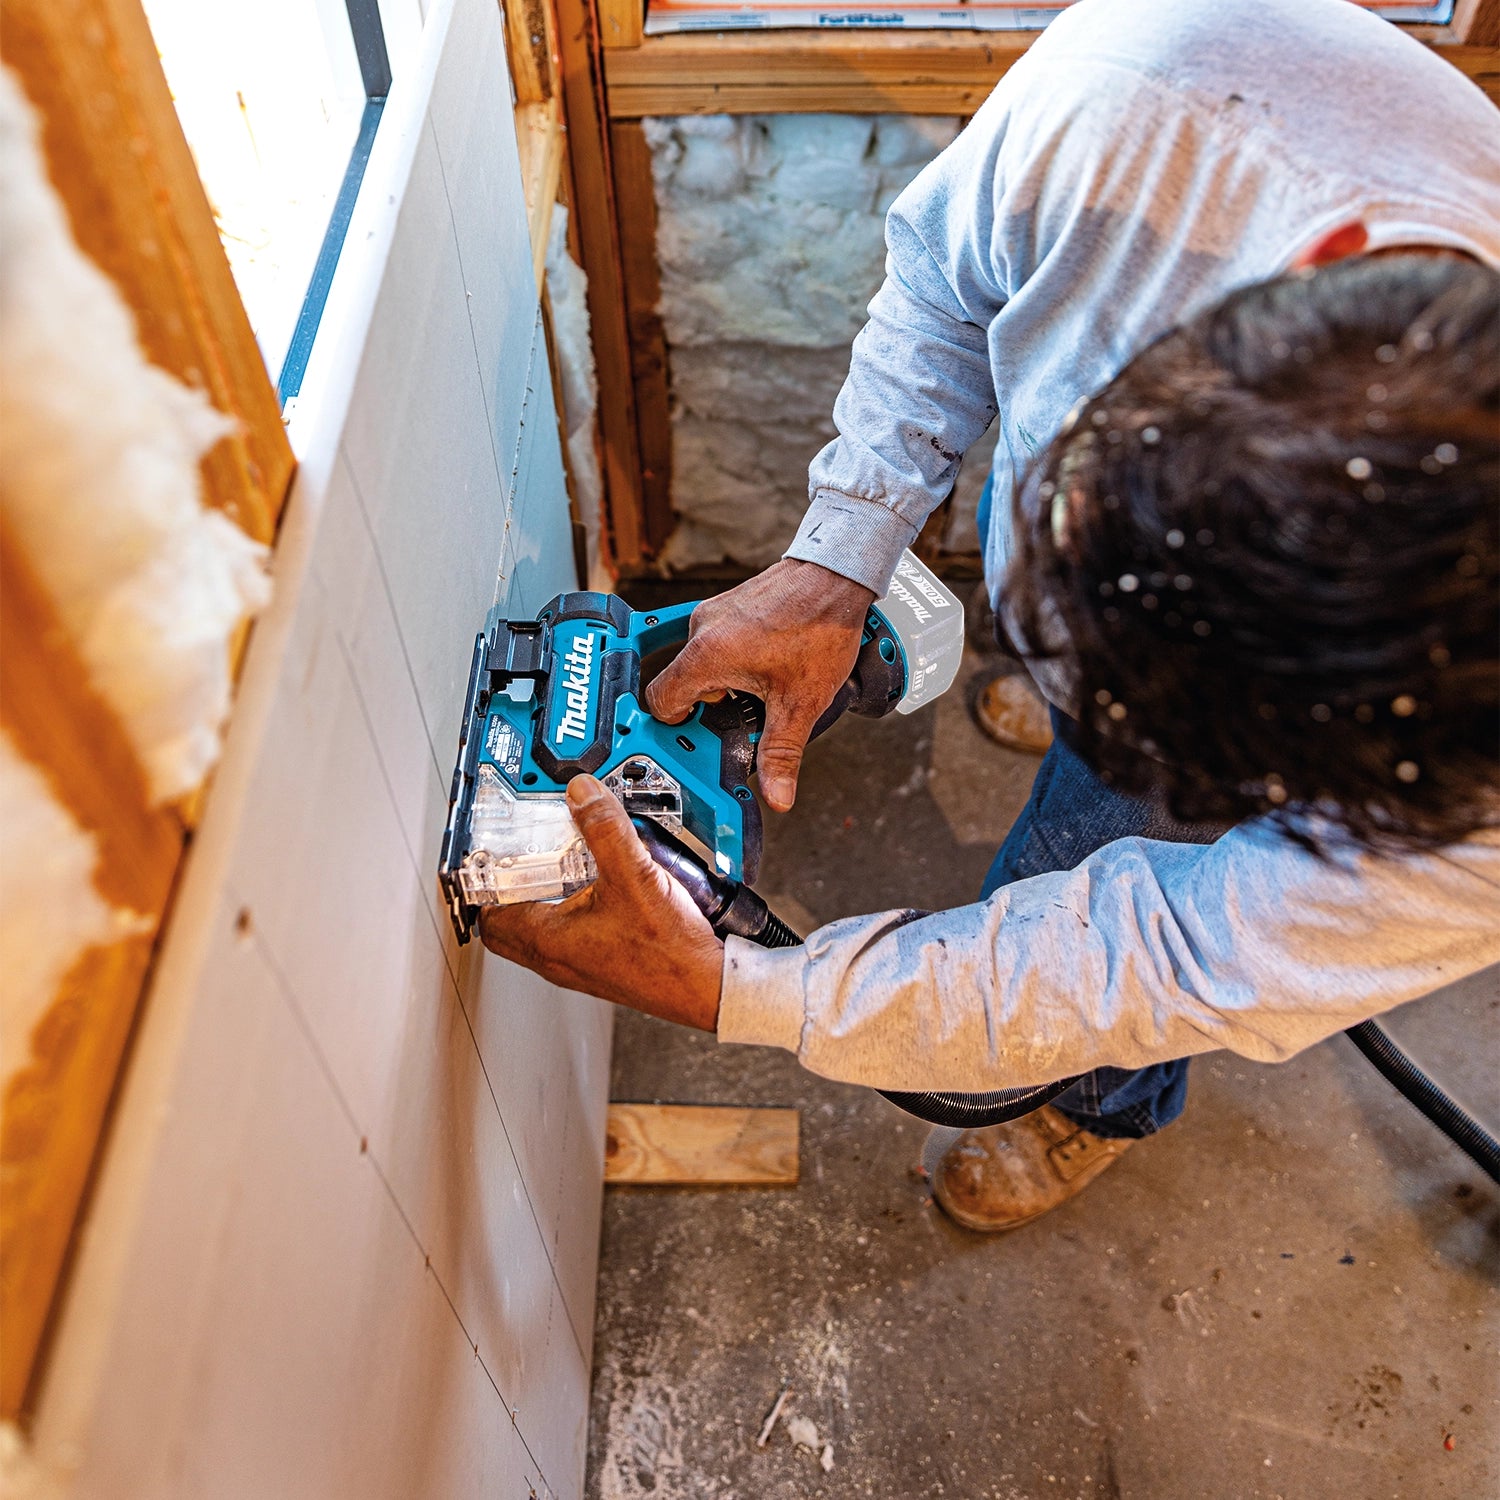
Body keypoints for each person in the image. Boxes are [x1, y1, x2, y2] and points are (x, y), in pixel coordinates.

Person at [481, 0, 1500, 1232]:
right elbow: (950, 282)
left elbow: (1170, 953)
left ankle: (1101, 1105)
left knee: (1091, 859)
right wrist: (837, 561)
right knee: (1104, 786)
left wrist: (747, 993)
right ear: (1329, 260)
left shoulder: (1475, 849)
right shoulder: (1148, 96)